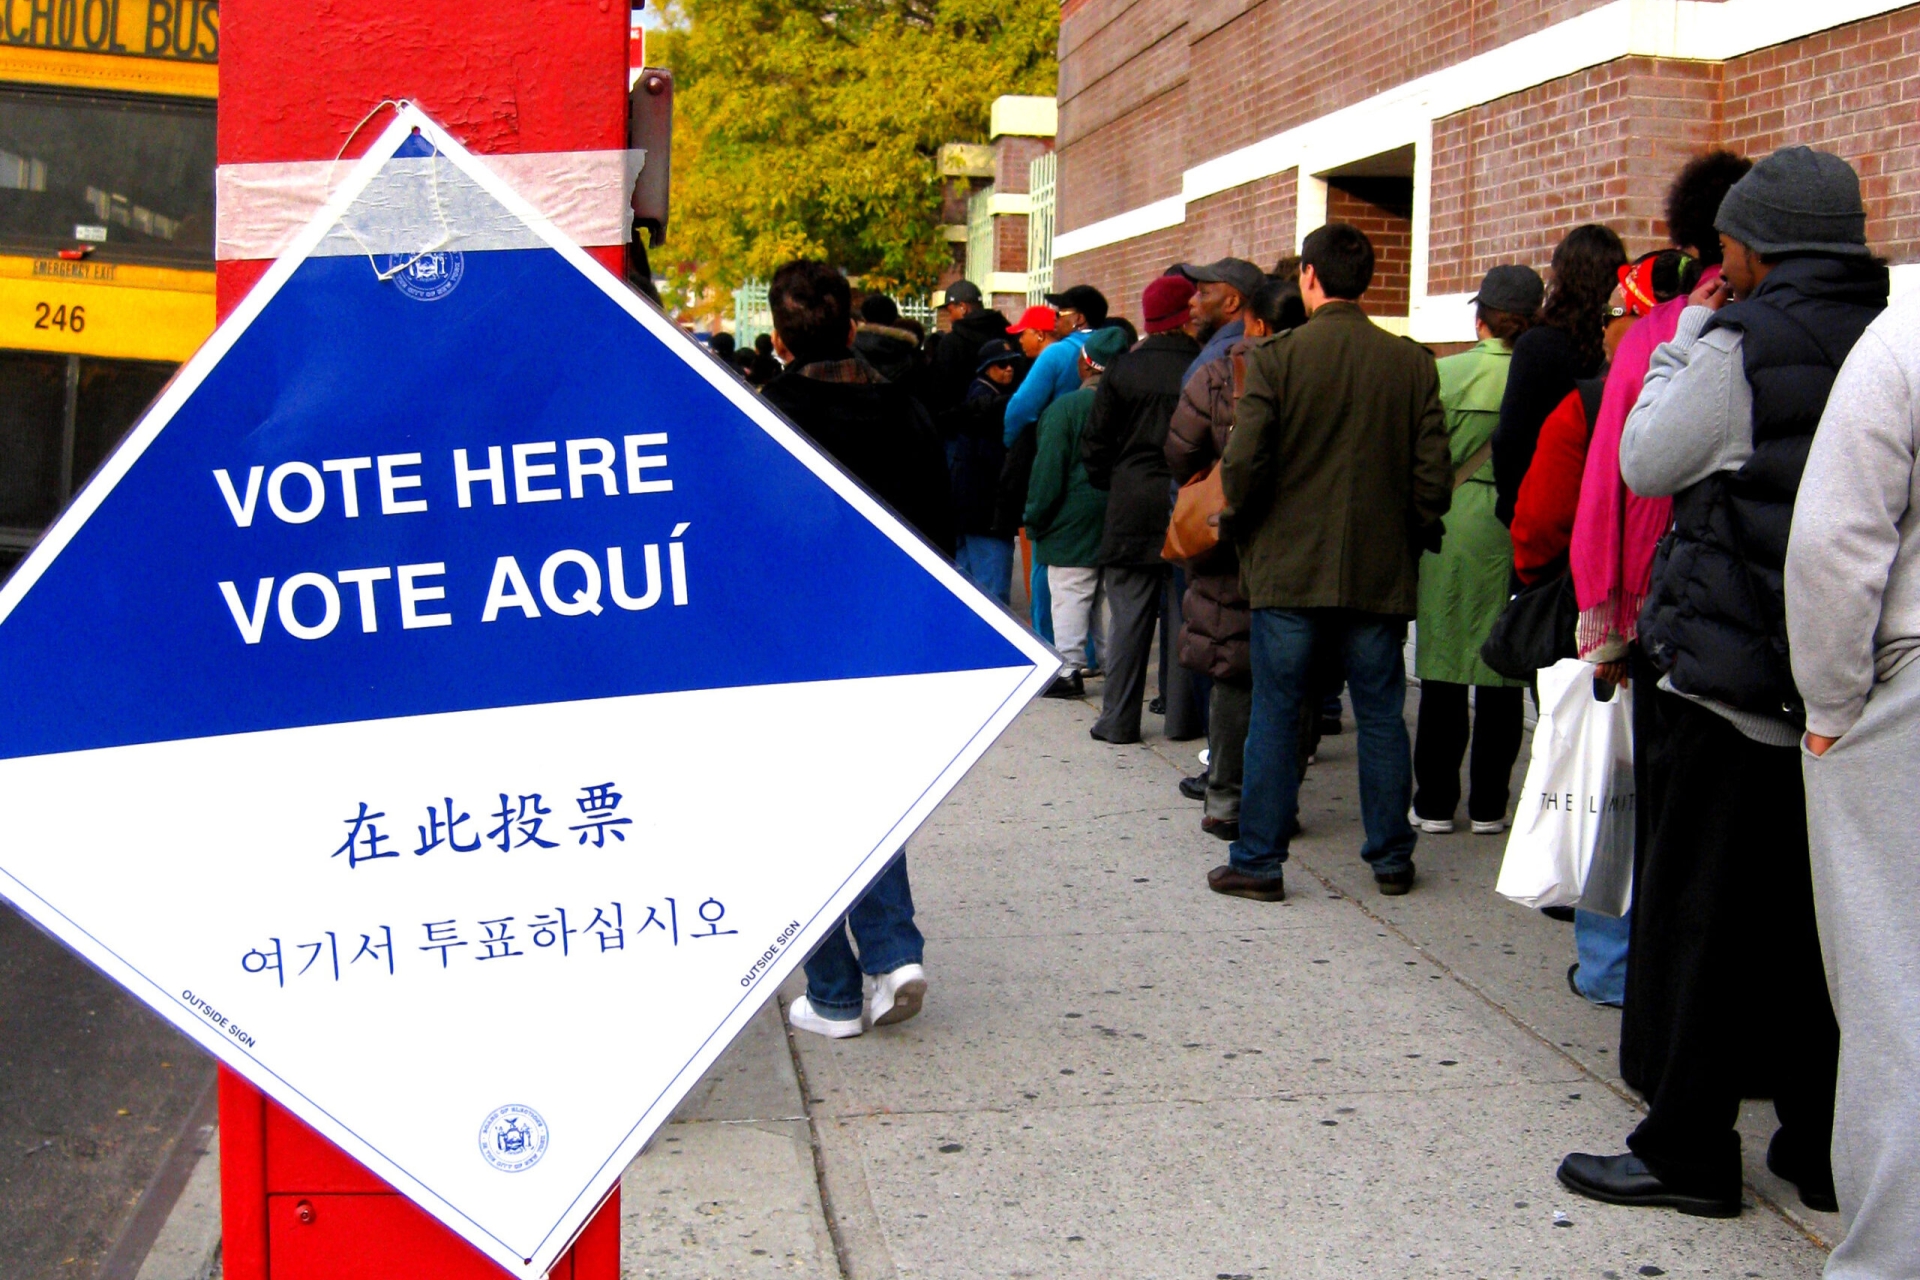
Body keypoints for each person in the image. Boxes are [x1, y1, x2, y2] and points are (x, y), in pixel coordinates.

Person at [1558, 146, 1887, 1217]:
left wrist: (1683, 337)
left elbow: (1647, 457)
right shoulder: (1884, 338)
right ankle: (1824, 1139)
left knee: (1697, 913)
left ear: (1754, 245)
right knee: (1811, 925)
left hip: (1726, 669)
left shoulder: (1739, 339)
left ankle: (1687, 1144)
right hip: (1840, 678)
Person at [1210, 222, 1451, 902]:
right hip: (1378, 569)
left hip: (1288, 568)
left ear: (1308, 278)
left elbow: (1245, 465)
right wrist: (1410, 530)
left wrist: (1245, 530)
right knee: (1380, 714)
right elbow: (1432, 479)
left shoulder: (1279, 360)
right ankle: (1391, 856)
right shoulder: (1410, 363)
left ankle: (1259, 858)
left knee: (1278, 713)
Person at [1569, 154, 1747, 1014]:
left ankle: (1634, 983)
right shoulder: (1813, 326)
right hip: (1777, 615)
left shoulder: (1661, 333)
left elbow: (1615, 478)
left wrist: (1606, 622)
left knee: (1656, 810)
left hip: (1663, 605)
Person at [759, 260, 954, 1038]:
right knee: (871, 791)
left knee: (802, 811)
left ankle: (837, 990)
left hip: (792, 642)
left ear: (777, 338)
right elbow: (940, 535)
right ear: (851, 326)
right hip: (890, 634)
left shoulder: (765, 417)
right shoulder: (905, 411)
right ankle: (890, 947)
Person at [1786, 290, 1920, 1280]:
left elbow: (1835, 536)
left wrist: (1830, 705)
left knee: (1894, 988)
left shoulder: (1905, 337)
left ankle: (1892, 1254)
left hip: (1905, 693)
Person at [1167, 277, 1305, 840]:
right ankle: (1282, 800)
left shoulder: (1219, 373)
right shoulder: (1316, 372)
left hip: (1229, 541)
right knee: (1294, 674)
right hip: (1302, 539)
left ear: (1254, 322)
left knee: (1232, 672)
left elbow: (1180, 449)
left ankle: (1225, 796)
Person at [1409, 264, 1542, 838]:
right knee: (1501, 669)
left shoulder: (1446, 373)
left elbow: (1419, 455)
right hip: (1517, 523)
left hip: (1452, 521)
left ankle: (1435, 801)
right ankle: (1490, 803)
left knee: (1442, 665)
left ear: (1480, 316)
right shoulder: (1546, 376)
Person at [1081, 275, 1200, 744]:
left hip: (1130, 500)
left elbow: (1095, 442)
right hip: (1186, 501)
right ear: (1184, 316)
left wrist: (1112, 481)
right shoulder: (1203, 365)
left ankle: (1118, 719)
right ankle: (1181, 719)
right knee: (1184, 616)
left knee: (1128, 617)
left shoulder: (1123, 370)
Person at [1492, 224, 1627, 526]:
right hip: (1605, 511)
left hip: (1544, 511)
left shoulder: (1538, 345)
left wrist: (1515, 510)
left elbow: (1511, 440)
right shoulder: (1626, 346)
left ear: (1563, 277)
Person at [1025, 327, 1129, 698]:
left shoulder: (1065, 409)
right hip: (1122, 513)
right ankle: (1117, 670)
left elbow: (1048, 472)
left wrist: (1035, 516)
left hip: (1071, 519)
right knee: (1111, 599)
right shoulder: (1135, 405)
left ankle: (1068, 668)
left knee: (1071, 593)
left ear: (1085, 364)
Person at [943, 337, 1027, 604]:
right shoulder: (987, 403)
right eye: (1000, 364)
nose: (1009, 369)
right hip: (986, 512)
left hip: (968, 511)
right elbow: (993, 463)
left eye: (1012, 363)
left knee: (965, 588)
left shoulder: (977, 395)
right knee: (993, 594)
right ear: (985, 368)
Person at [1178, 257, 1265, 383]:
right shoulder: (1272, 349)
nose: (1192, 301)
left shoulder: (1208, 363)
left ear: (1232, 303)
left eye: (1204, 293)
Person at [931, 279, 1010, 409]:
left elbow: (939, 390)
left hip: (961, 419)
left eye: (950, 311)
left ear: (963, 307)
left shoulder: (951, 343)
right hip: (1003, 415)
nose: (950, 319)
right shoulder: (1006, 334)